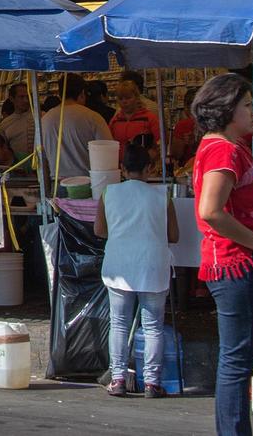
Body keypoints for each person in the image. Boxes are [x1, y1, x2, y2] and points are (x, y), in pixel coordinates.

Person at [192, 74, 253, 436]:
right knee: (237, 361)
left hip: (243, 263)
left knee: (240, 360)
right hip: (238, 263)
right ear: (228, 109)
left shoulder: (235, 147)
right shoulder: (222, 149)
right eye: (247, 105)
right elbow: (210, 211)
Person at [96, 143, 179, 398]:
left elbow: (99, 230)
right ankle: (152, 383)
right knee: (153, 325)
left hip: (119, 264)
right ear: (149, 168)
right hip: (153, 264)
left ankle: (118, 379)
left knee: (119, 324)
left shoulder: (108, 193)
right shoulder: (161, 196)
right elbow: (173, 235)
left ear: (122, 168)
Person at [40, 74, 113, 185]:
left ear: (60, 94)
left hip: (57, 185)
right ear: (82, 93)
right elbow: (108, 156)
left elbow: (41, 160)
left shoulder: (45, 120)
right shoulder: (93, 118)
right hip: (88, 184)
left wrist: (46, 190)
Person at [110, 71, 161, 153]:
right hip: (121, 164)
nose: (124, 102)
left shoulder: (149, 118)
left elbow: (160, 142)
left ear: (137, 97)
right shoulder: (115, 120)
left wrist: (152, 155)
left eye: (128, 98)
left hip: (145, 164)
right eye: (120, 98)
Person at [0, 82, 38, 160]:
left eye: (28, 97)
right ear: (12, 98)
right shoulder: (5, 124)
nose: (26, 100)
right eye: (21, 97)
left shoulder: (40, 117)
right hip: (19, 167)